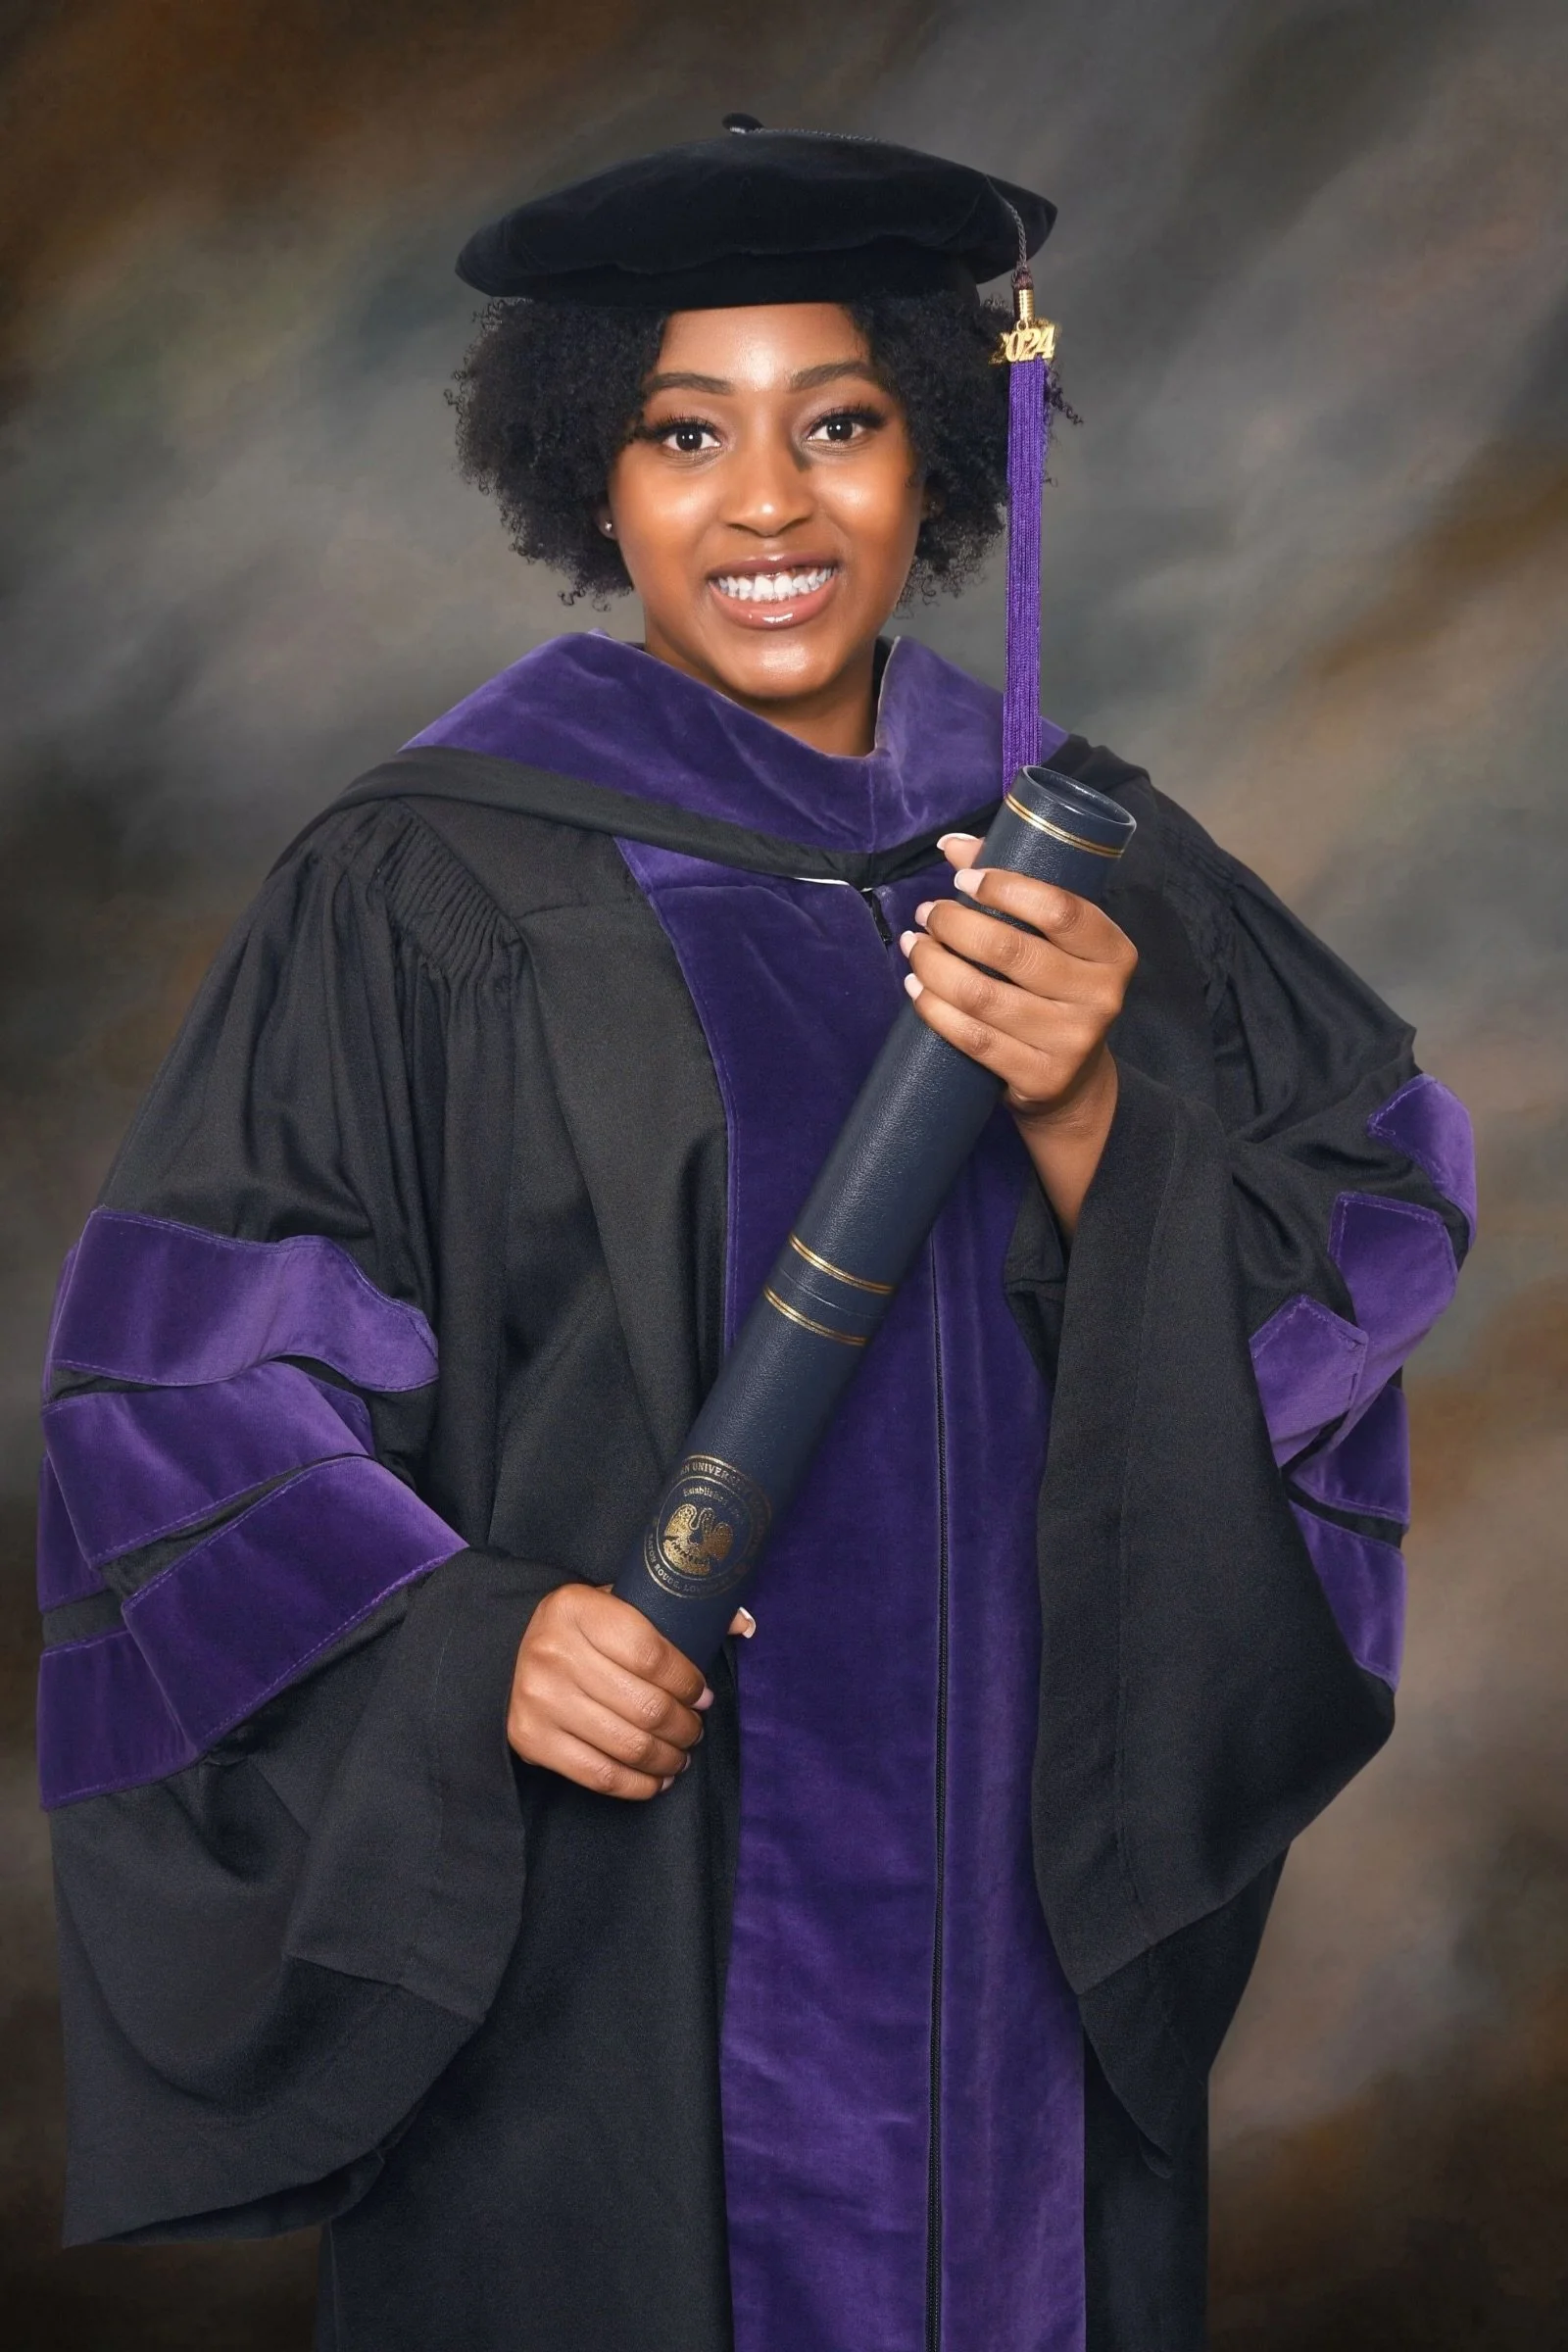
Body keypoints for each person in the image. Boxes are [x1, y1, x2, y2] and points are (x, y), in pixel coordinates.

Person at [35, 123, 1474, 2352]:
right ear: (591, 486)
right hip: (607, 1941)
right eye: (684, 435)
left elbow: (1361, 1237)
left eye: (842, 425)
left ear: (934, 459)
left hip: (1010, 1923)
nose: (770, 508)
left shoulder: (1083, 865)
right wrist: (469, 1637)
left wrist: (1099, 1113)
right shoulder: (425, 885)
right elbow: (180, 1386)